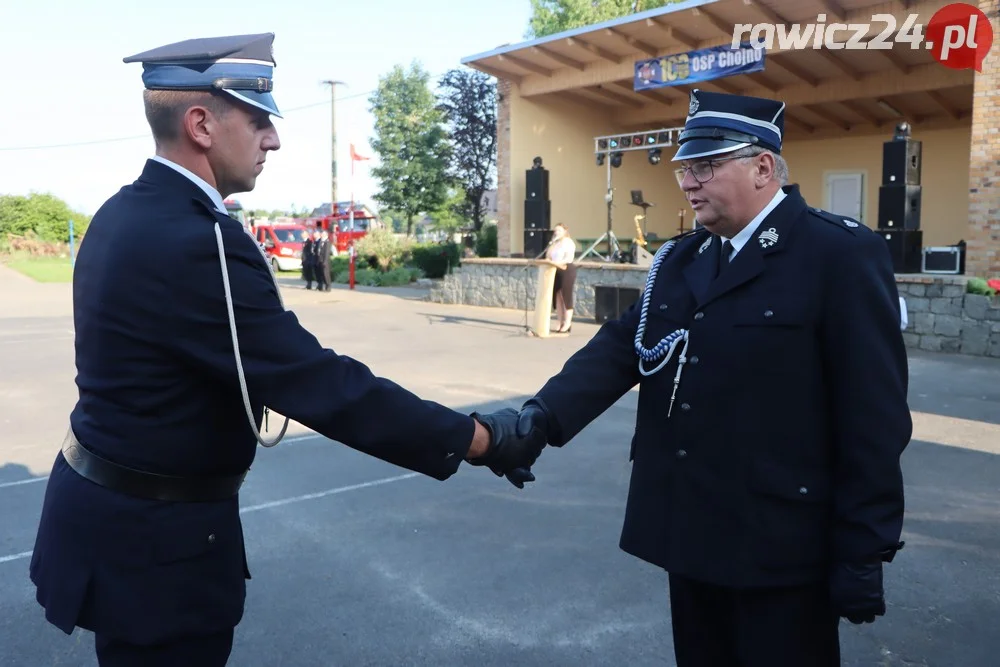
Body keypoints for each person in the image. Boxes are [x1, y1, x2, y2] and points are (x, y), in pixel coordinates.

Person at [29, 33, 543, 667]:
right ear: (201, 125)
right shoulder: (201, 243)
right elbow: (320, 384)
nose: (273, 138)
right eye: (259, 119)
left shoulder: (120, 213)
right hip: (156, 552)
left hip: (115, 522)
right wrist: (479, 439)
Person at [479, 89, 912, 666]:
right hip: (693, 531)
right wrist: (540, 419)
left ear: (763, 167)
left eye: (705, 165)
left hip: (781, 541)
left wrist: (865, 546)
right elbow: (619, 350)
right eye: (685, 166)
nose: (687, 180)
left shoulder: (836, 254)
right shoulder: (684, 259)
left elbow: (873, 417)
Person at [545, 223, 577, 333]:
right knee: (557, 296)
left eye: (559, 230)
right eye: (555, 231)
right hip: (555, 270)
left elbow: (569, 258)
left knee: (566, 297)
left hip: (566, 269)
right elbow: (548, 256)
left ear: (565, 231)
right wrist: (552, 243)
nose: (556, 233)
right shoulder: (555, 243)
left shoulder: (568, 242)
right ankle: (560, 321)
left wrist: (556, 262)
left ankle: (568, 323)